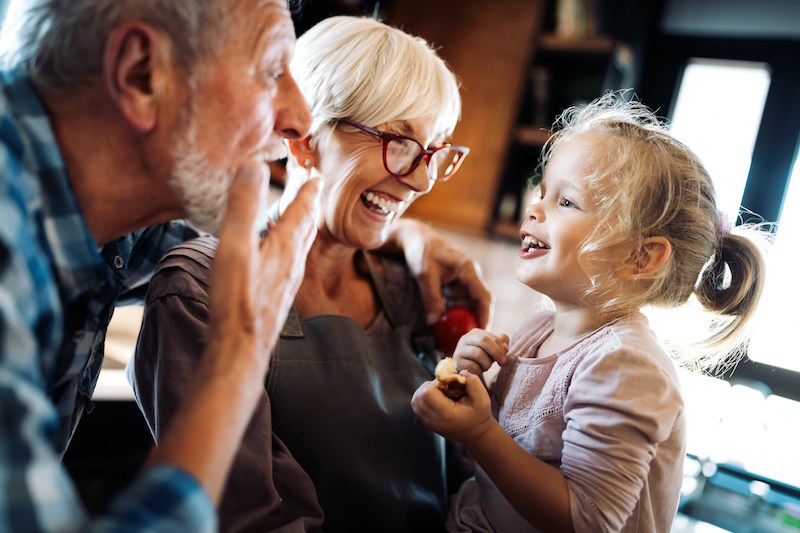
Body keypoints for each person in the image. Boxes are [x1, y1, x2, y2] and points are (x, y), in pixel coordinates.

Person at [0, 1, 489, 530]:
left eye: (432, 155)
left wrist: (395, 229)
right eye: (271, 71)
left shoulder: (110, 231)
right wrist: (236, 357)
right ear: (142, 74)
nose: (296, 122)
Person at [411, 92, 771, 532]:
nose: (534, 209)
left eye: (566, 202)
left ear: (641, 258)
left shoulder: (626, 365)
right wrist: (470, 394)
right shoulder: (538, 327)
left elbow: (588, 520)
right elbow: (496, 474)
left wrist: (480, 431)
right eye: (543, 192)